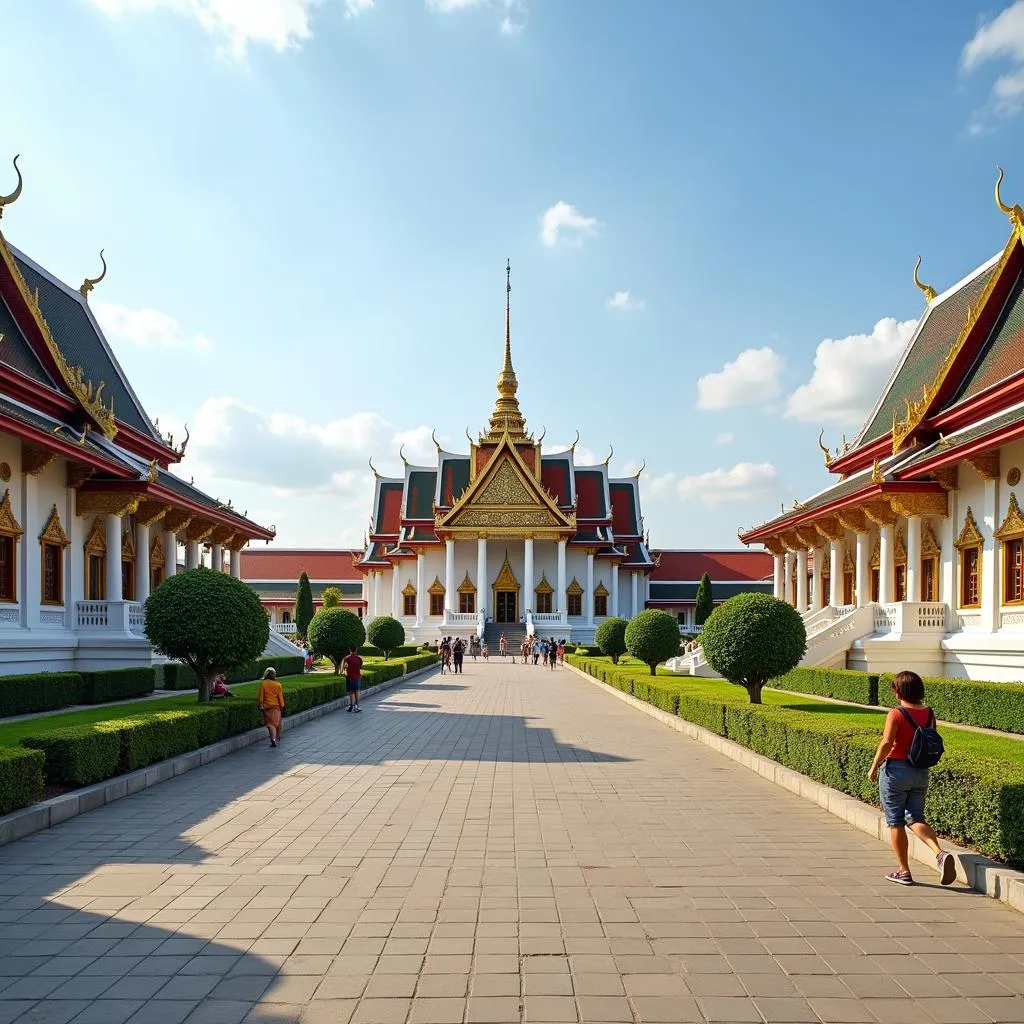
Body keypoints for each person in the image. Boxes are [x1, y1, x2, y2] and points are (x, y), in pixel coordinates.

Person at [868, 670, 956, 886]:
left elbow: (887, 743)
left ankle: (904, 871)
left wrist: (874, 766)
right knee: (915, 818)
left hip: (896, 770)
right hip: (920, 771)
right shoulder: (929, 713)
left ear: (899, 691)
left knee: (896, 822)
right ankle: (940, 853)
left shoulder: (896, 714)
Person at [257, 667, 285, 747]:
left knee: (270, 724)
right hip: (276, 707)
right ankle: (276, 738)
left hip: (266, 707)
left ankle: (273, 739)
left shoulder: (263, 683)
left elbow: (261, 696)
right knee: (277, 723)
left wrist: (261, 705)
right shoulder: (278, 684)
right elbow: (280, 697)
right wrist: (282, 706)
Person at [341, 646, 364, 712]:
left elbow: (345, 667)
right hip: (357, 676)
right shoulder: (359, 658)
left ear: (349, 650)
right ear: (356, 650)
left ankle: (351, 706)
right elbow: (361, 667)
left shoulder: (347, 658)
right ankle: (357, 706)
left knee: (351, 692)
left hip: (350, 676)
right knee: (357, 691)